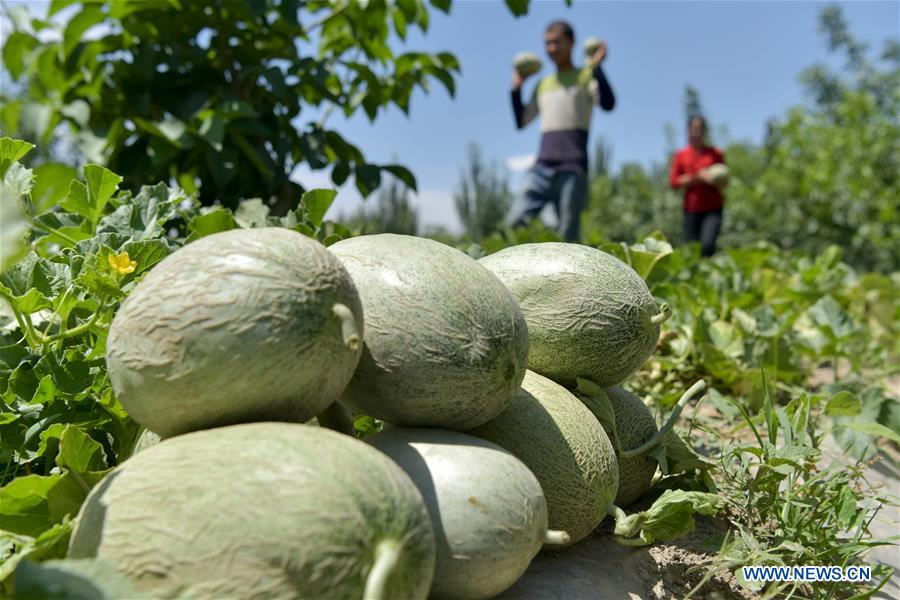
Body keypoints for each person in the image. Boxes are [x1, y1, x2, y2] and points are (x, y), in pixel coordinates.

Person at [508, 21, 616, 242]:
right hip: (542, 166)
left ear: (571, 42)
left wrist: (597, 67)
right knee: (515, 221)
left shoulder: (585, 77)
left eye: (556, 42)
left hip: (572, 168)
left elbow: (608, 103)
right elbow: (522, 121)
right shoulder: (543, 84)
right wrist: (517, 89)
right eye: (547, 44)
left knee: (568, 236)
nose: (551, 49)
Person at [669, 115, 727, 257]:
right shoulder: (681, 155)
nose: (696, 132)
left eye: (699, 129)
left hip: (713, 209)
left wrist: (712, 179)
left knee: (707, 245)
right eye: (693, 129)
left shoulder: (715, 154)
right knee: (692, 250)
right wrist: (697, 178)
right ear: (688, 131)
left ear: (705, 131)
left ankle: (708, 276)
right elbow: (674, 182)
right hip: (691, 210)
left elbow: (725, 182)